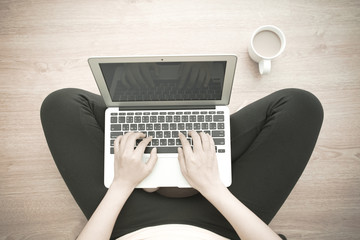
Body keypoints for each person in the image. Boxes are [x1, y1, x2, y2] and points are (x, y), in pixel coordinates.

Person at [40, 88, 323, 240]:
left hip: (125, 222)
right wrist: (212, 186)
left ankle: (176, 146)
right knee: (302, 105)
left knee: (61, 104)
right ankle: (203, 138)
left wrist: (123, 184)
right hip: (223, 223)